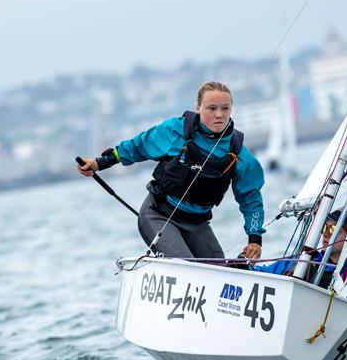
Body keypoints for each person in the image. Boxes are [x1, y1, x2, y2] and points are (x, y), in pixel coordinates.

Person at [78, 81, 265, 259]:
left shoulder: (238, 153)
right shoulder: (176, 131)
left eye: (225, 108)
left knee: (220, 270)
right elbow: (138, 146)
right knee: (188, 267)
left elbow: (251, 198)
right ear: (198, 108)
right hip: (159, 215)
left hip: (198, 225)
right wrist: (99, 163)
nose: (219, 114)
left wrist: (255, 239)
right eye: (212, 108)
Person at [250, 207, 347, 310]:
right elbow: (262, 273)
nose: (325, 233)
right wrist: (242, 265)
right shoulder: (304, 262)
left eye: (333, 229)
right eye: (324, 227)